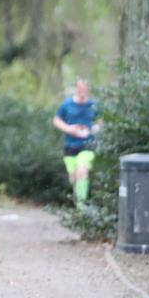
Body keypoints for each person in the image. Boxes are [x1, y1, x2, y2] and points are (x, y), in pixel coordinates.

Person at [52, 78, 100, 207]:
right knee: (73, 177)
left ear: (88, 89)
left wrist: (95, 129)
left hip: (88, 144)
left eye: (85, 88)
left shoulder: (94, 105)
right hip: (70, 145)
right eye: (80, 88)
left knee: (82, 168)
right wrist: (69, 129)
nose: (82, 91)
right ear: (76, 88)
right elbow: (56, 120)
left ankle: (81, 207)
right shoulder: (66, 105)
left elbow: (101, 121)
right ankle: (79, 202)